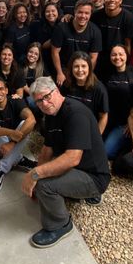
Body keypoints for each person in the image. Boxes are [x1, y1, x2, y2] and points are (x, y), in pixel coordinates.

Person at [21, 77, 110, 248]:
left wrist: (35, 176)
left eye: (47, 96)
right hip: (78, 168)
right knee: (40, 180)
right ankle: (72, 192)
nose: (44, 103)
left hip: (93, 176)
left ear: (57, 91)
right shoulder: (52, 114)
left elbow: (72, 158)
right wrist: (36, 177)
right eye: (39, 101)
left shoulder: (75, 113)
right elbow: (47, 150)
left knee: (44, 186)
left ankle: (60, 224)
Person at [0, 78, 38, 194]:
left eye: (1, 89)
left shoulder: (15, 101)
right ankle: (18, 158)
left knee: (25, 124)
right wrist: (10, 133)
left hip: (12, 144)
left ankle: (1, 168)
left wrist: (12, 143)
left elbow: (32, 120)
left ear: (6, 90)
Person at [103, 45, 133, 159]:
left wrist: (132, 124)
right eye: (114, 54)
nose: (117, 57)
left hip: (126, 123)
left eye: (121, 54)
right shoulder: (106, 74)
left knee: (107, 153)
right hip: (109, 120)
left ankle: (127, 148)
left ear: (126, 55)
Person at [51, 0, 102, 85]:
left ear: (90, 14)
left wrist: (88, 74)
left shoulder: (95, 31)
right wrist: (59, 73)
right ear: (75, 12)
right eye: (80, 12)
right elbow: (54, 52)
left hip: (82, 68)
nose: (83, 16)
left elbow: (93, 57)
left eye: (87, 13)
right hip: (65, 68)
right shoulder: (62, 27)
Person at [91, 0, 133, 81]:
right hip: (100, 58)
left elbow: (128, 43)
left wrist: (125, 62)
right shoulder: (95, 16)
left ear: (121, 0)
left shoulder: (129, 17)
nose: (112, 0)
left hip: (117, 58)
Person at [60, 52, 109, 135]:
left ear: (89, 68)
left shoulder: (99, 89)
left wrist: (96, 137)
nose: (80, 70)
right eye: (76, 66)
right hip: (68, 126)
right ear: (71, 68)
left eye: (83, 66)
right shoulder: (66, 84)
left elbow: (103, 117)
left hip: (89, 130)